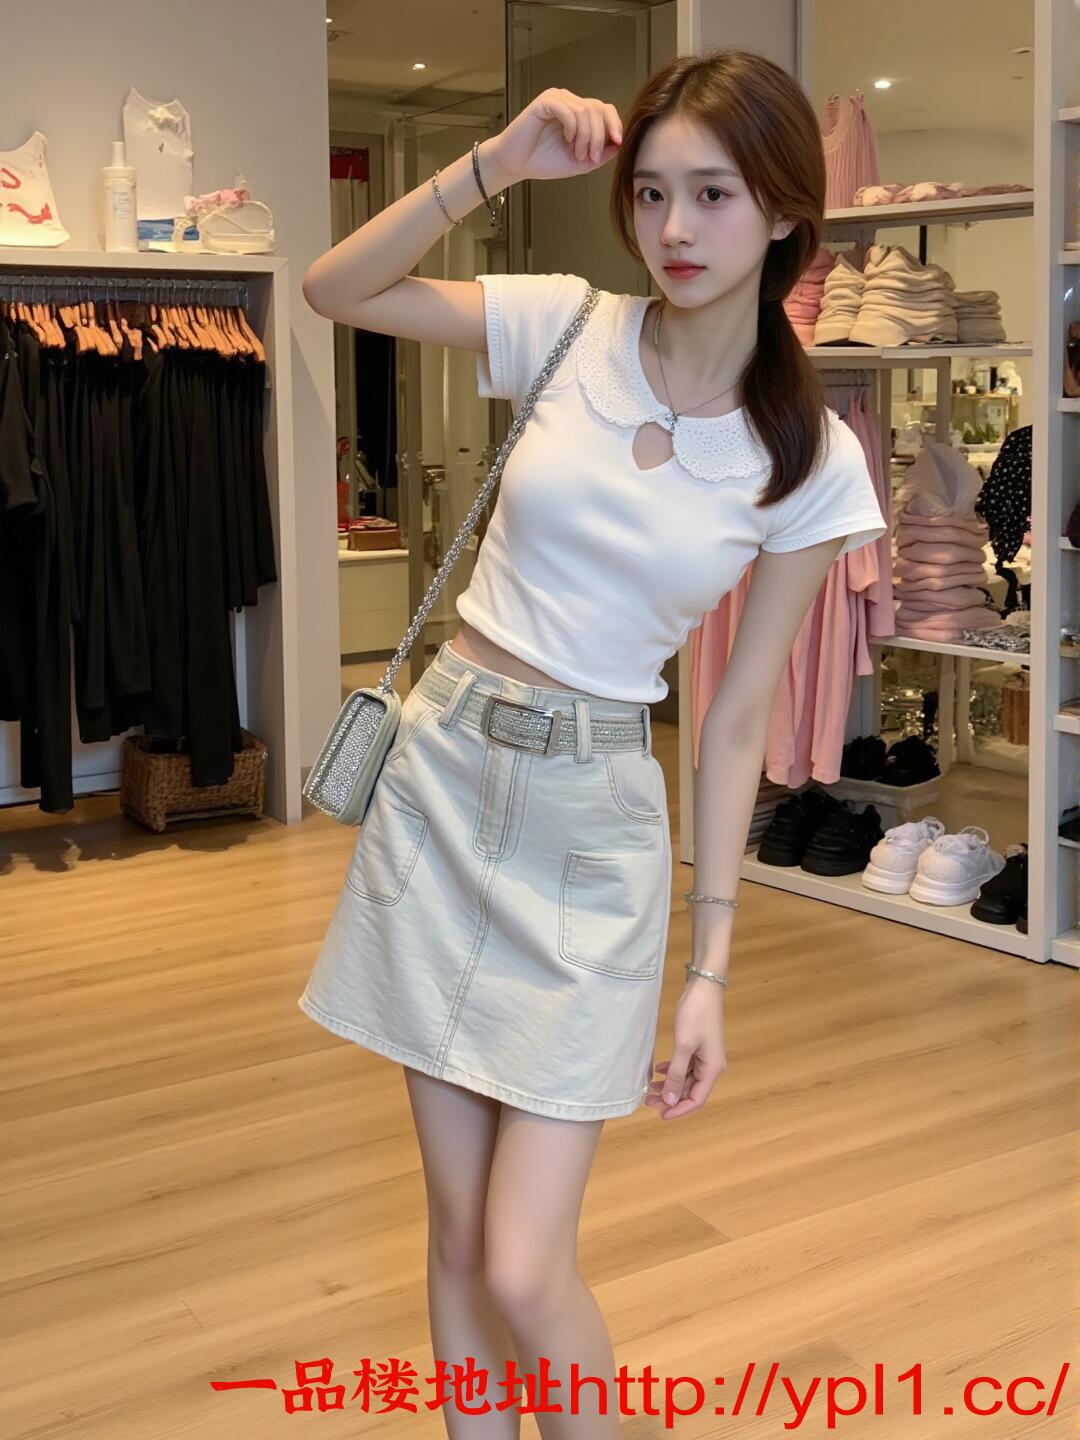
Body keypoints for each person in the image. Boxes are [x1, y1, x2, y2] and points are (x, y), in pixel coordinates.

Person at [298, 46, 887, 1440]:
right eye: (654, 194)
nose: (676, 229)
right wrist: (495, 164)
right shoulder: (565, 323)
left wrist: (710, 969)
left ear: (785, 212)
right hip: (443, 777)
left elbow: (735, 717)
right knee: (455, 1237)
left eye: (716, 195)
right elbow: (335, 290)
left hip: (594, 825)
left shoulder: (811, 457)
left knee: (523, 1261)